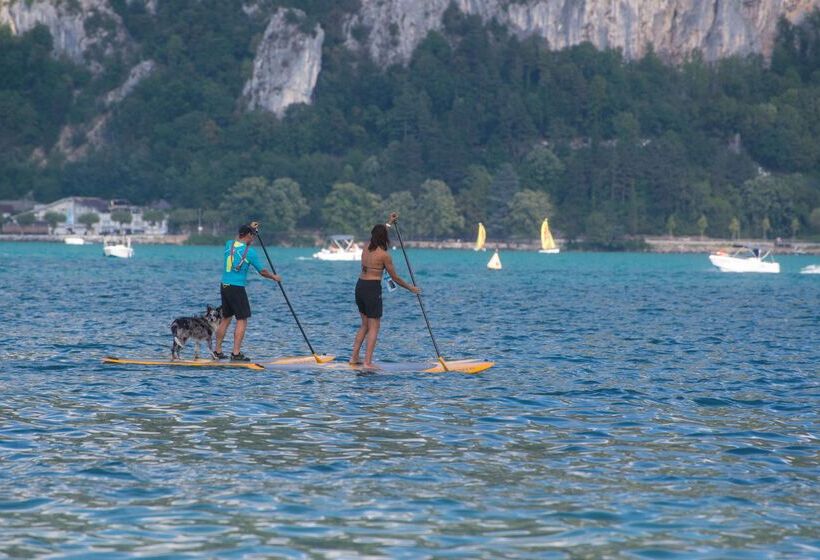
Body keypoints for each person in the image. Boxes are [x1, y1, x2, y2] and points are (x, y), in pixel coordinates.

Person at [351, 213, 420, 367]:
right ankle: (368, 362)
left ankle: (354, 358)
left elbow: (379, 232)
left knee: (365, 325)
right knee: (374, 326)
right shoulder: (384, 255)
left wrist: (389, 223)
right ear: (385, 238)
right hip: (371, 289)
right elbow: (395, 278)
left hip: (360, 286)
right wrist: (411, 288)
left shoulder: (365, 248)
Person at [214, 223, 281, 361]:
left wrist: (249, 227)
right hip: (237, 288)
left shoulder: (229, 244)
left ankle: (217, 351)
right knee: (242, 320)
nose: (254, 239)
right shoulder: (250, 253)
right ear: (249, 235)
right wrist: (274, 277)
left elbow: (238, 237)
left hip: (224, 285)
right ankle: (236, 353)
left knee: (226, 318)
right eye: (253, 236)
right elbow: (262, 271)